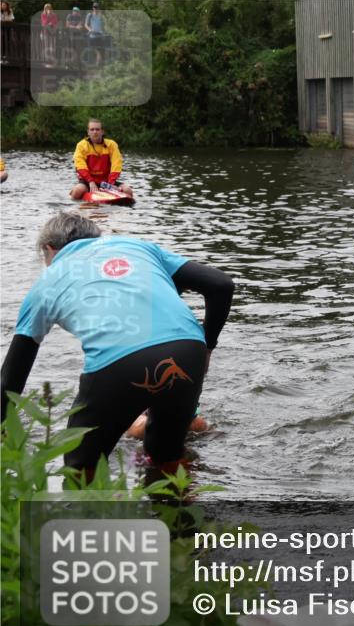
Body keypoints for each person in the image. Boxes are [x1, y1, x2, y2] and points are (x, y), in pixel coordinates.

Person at [0, 212, 235, 477]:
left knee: (79, 468)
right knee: (166, 459)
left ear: (49, 249)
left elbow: (10, 381)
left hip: (118, 363)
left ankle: (87, 513)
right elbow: (221, 285)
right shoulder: (137, 246)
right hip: (187, 349)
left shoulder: (47, 281)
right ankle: (180, 514)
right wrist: (207, 347)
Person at [70, 118, 133, 200]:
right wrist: (91, 182)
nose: (95, 132)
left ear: (102, 131)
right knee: (77, 191)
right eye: (92, 129)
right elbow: (80, 166)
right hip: (88, 182)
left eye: (97, 129)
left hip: (107, 182)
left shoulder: (111, 144)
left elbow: (116, 164)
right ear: (88, 132)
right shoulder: (81, 145)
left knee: (128, 191)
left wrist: (110, 184)